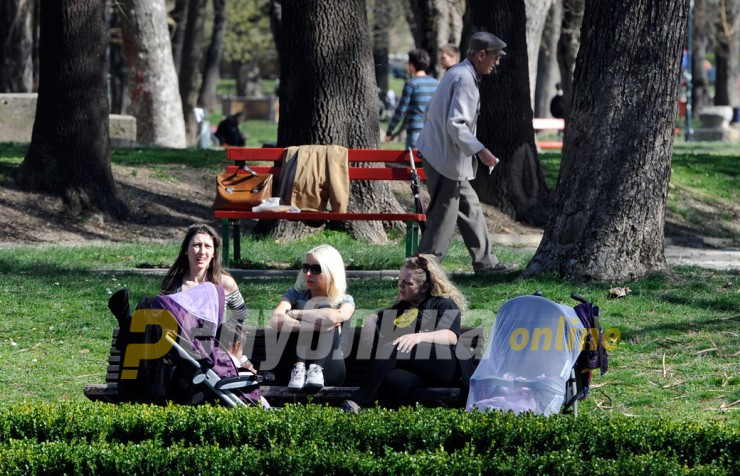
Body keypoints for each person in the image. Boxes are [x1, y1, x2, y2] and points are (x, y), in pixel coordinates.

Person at [415, 31, 513, 274]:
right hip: (445, 160)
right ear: (481, 55)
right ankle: (424, 269)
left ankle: (486, 263)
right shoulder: (466, 80)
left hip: (442, 156)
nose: (497, 62)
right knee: (443, 216)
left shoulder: (456, 73)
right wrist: (480, 151)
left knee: (470, 208)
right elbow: (456, 124)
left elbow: (430, 110)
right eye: (494, 57)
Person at [341, 254, 472, 412]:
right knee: (394, 381)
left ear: (424, 287)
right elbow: (381, 314)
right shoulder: (404, 306)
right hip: (419, 370)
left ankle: (356, 403)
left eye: (407, 282)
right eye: (399, 279)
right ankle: (395, 428)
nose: (400, 285)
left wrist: (418, 337)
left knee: (393, 348)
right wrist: (371, 319)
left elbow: (450, 336)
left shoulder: (443, 303)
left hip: (445, 365)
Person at [270, 244, 355, 389]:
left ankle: (316, 369)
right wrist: (316, 326)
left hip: (329, 368)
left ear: (331, 272)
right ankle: (299, 366)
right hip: (292, 371)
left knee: (324, 309)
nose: (308, 273)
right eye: (306, 267)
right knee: (302, 303)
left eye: (316, 269)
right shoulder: (294, 295)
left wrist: (295, 314)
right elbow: (276, 320)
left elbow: (335, 317)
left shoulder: (345, 300)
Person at [161, 223, 247, 324]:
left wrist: (225, 333)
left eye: (207, 246)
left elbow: (241, 313)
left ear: (214, 253)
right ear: (186, 250)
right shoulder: (172, 284)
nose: (202, 251)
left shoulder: (225, 283)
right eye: (196, 245)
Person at [385, 49, 439, 149]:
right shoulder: (436, 83)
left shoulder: (411, 84)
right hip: (433, 133)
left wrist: (390, 131)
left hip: (416, 133)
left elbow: (401, 110)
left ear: (411, 65)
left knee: (414, 162)